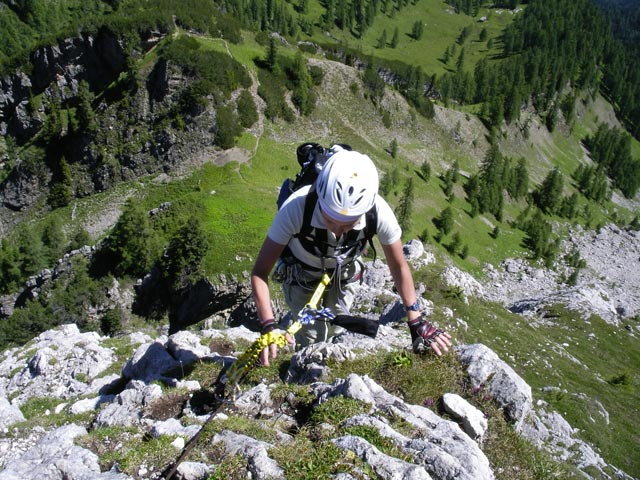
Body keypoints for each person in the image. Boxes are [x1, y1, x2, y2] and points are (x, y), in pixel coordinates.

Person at [250, 147, 452, 366]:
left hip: (343, 275)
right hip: (301, 276)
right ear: (319, 198)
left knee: (337, 326)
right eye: (329, 220)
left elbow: (398, 266)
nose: (337, 231)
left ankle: (325, 370)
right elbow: (260, 272)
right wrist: (269, 326)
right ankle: (306, 374)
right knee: (310, 337)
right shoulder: (296, 207)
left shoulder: (379, 213)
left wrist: (415, 320)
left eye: (348, 225)